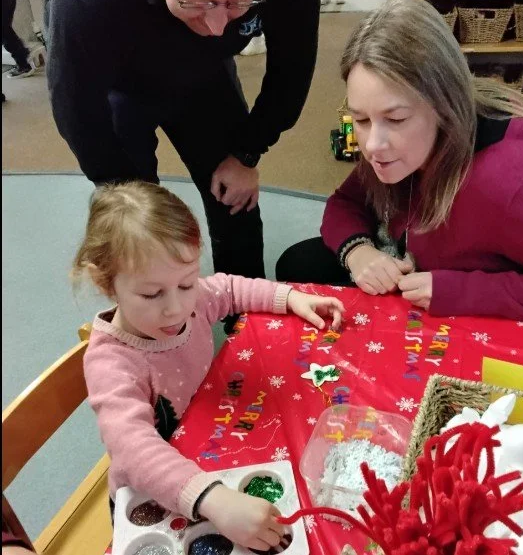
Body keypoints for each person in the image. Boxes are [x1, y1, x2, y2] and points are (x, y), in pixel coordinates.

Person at [45, 0, 320, 294]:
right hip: (122, 82)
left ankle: (244, 320)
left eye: (240, 0)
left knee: (235, 200)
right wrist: (124, 192)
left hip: (205, 79)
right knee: (137, 225)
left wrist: (248, 151)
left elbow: (292, 69)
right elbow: (77, 113)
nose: (216, 26)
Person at [74, 181, 344, 551]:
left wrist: (290, 297)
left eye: (186, 284)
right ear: (105, 282)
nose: (176, 308)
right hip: (153, 496)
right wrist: (213, 499)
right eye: (152, 294)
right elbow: (133, 449)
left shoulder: (191, 299)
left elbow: (230, 289)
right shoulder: (111, 360)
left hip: (212, 449)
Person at [276, 0, 523, 323]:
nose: (372, 145)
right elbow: (346, 201)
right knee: (296, 264)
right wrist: (358, 252)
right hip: (412, 263)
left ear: (443, 105)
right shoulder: (401, 149)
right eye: (361, 119)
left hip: (467, 306)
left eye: (396, 119)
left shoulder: (518, 181)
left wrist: (462, 290)